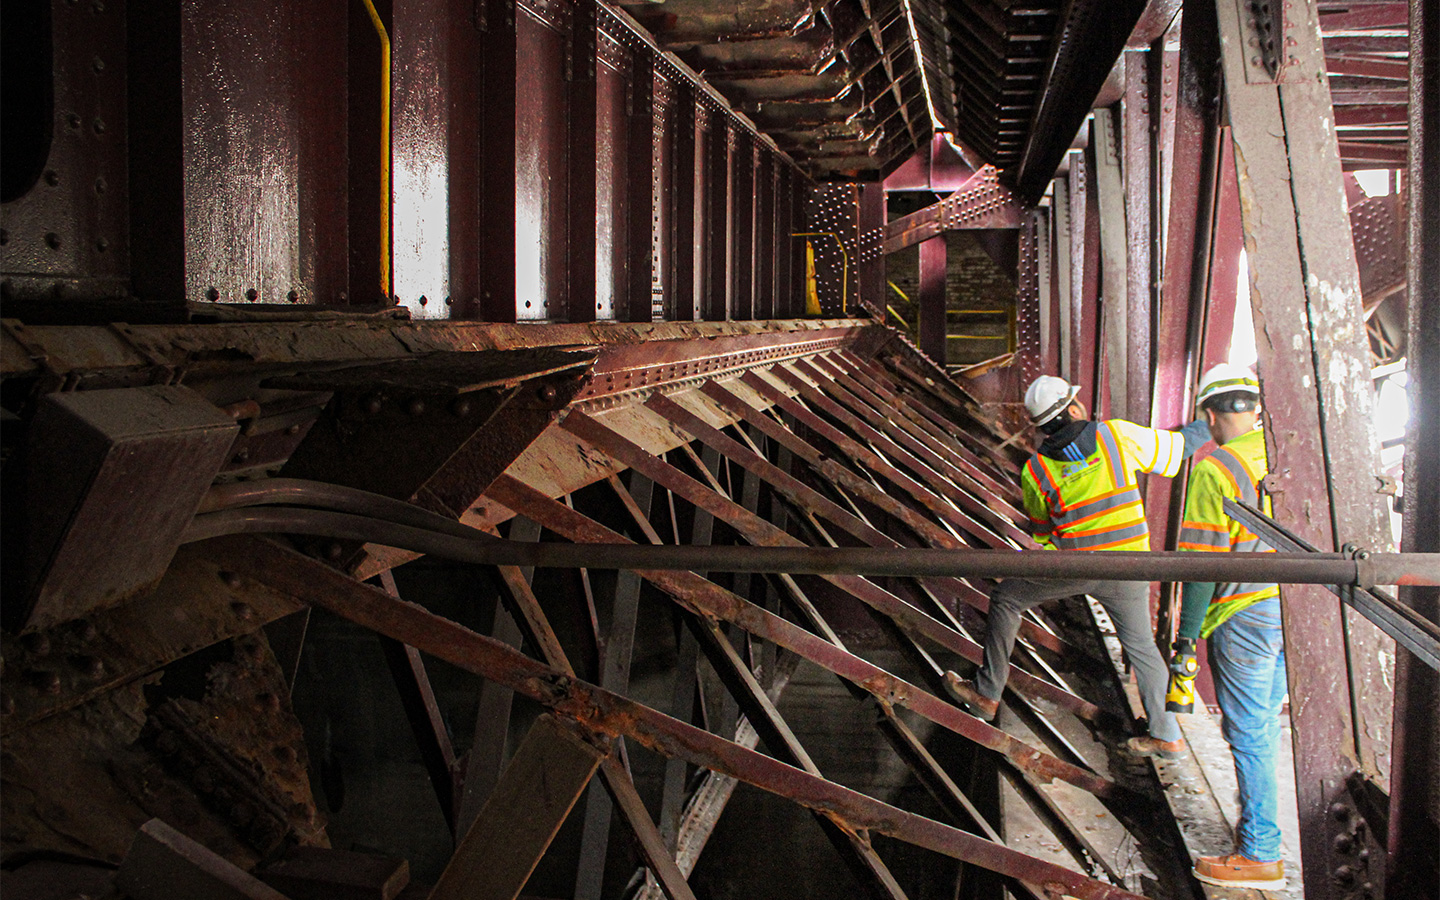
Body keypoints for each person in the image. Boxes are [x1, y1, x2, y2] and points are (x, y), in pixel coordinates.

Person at [943, 375, 1210, 759]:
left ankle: (986, 695)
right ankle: (1166, 735)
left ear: (1041, 426)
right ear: (1073, 409)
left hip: (1075, 564)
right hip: (1131, 564)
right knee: (1141, 647)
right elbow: (1179, 449)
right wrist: (1208, 423)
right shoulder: (1116, 437)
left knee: (1006, 597)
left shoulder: (1036, 470)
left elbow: (1041, 531)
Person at [1173, 364, 1286, 889]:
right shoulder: (1286, 452)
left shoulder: (1216, 467)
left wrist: (1185, 639)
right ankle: (1264, 836)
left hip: (1244, 611)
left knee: (1248, 732)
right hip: (1297, 609)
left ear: (1212, 416)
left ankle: (1261, 852)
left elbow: (1201, 567)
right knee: (1265, 725)